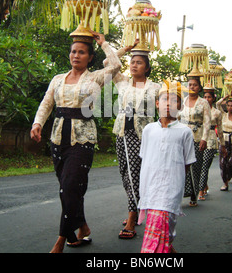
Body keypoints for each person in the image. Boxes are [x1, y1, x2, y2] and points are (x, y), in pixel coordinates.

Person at [30, 30, 121, 253]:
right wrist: (37, 123)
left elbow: (116, 66)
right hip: (59, 137)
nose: (76, 55)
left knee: (70, 186)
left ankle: (62, 239)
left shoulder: (96, 77)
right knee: (67, 188)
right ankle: (82, 226)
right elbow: (46, 103)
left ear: (90, 57)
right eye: (73, 51)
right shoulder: (57, 79)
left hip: (83, 138)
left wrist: (103, 44)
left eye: (82, 52)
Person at [106, 46, 160, 239]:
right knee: (125, 173)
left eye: (139, 63)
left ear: (147, 67)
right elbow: (108, 63)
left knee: (135, 173)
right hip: (121, 132)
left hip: (142, 136)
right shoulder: (123, 83)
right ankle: (136, 208)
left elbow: (165, 109)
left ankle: (132, 217)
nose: (134, 65)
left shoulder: (155, 87)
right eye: (132, 62)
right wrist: (125, 48)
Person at [137, 80, 196, 253]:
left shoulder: (185, 132)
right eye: (164, 99)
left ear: (181, 106)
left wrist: (176, 185)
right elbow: (145, 160)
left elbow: (186, 164)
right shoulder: (148, 130)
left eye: (174, 100)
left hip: (171, 190)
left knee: (165, 232)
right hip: (150, 189)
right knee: (157, 235)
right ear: (157, 104)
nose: (169, 103)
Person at [178, 76, 210, 206]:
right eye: (190, 84)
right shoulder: (182, 101)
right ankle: (180, 193)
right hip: (182, 137)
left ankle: (193, 195)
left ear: (199, 87)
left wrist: (204, 139)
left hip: (197, 137)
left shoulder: (203, 103)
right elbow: (177, 118)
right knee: (181, 166)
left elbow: (207, 122)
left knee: (195, 166)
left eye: (195, 85)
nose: (192, 87)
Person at [199, 84, 224, 200]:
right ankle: (203, 185)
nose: (207, 99)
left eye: (209, 97)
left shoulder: (217, 113)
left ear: (213, 98)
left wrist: (222, 145)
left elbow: (220, 129)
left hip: (212, 139)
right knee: (199, 164)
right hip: (200, 137)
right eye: (205, 97)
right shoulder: (199, 109)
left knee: (205, 165)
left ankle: (200, 191)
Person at [217, 95, 232, 191]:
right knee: (222, 163)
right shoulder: (223, 115)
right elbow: (218, 104)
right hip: (224, 140)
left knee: (231, 162)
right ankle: (225, 183)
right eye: (228, 105)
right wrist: (224, 98)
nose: (230, 107)